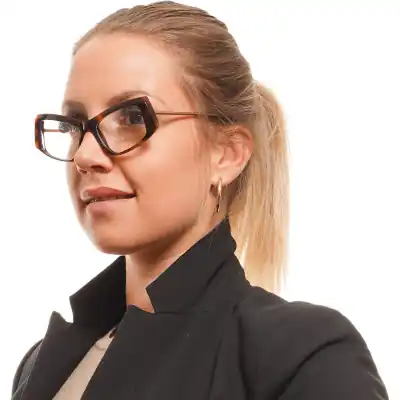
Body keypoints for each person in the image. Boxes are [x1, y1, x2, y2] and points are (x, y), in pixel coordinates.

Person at [12, 2, 388, 399]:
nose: (86, 155)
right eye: (75, 125)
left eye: (132, 118)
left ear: (226, 154)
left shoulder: (303, 355)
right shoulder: (41, 362)